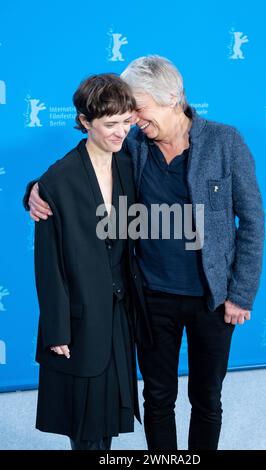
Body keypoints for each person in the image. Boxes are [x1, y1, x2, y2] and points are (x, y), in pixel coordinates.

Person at [25, 56, 264, 450]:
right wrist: (35, 190)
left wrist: (241, 293)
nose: (131, 119)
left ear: (172, 99)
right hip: (151, 299)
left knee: (207, 399)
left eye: (137, 108)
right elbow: (85, 165)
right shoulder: (134, 144)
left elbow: (253, 222)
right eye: (126, 113)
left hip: (213, 300)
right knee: (157, 399)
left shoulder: (225, 142)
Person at [26, 73, 152, 451]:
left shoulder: (129, 165)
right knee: (83, 422)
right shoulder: (57, 181)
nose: (121, 133)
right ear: (84, 122)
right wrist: (57, 329)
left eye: (127, 123)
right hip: (79, 318)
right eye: (110, 125)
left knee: (111, 412)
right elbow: (49, 267)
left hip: (120, 311)